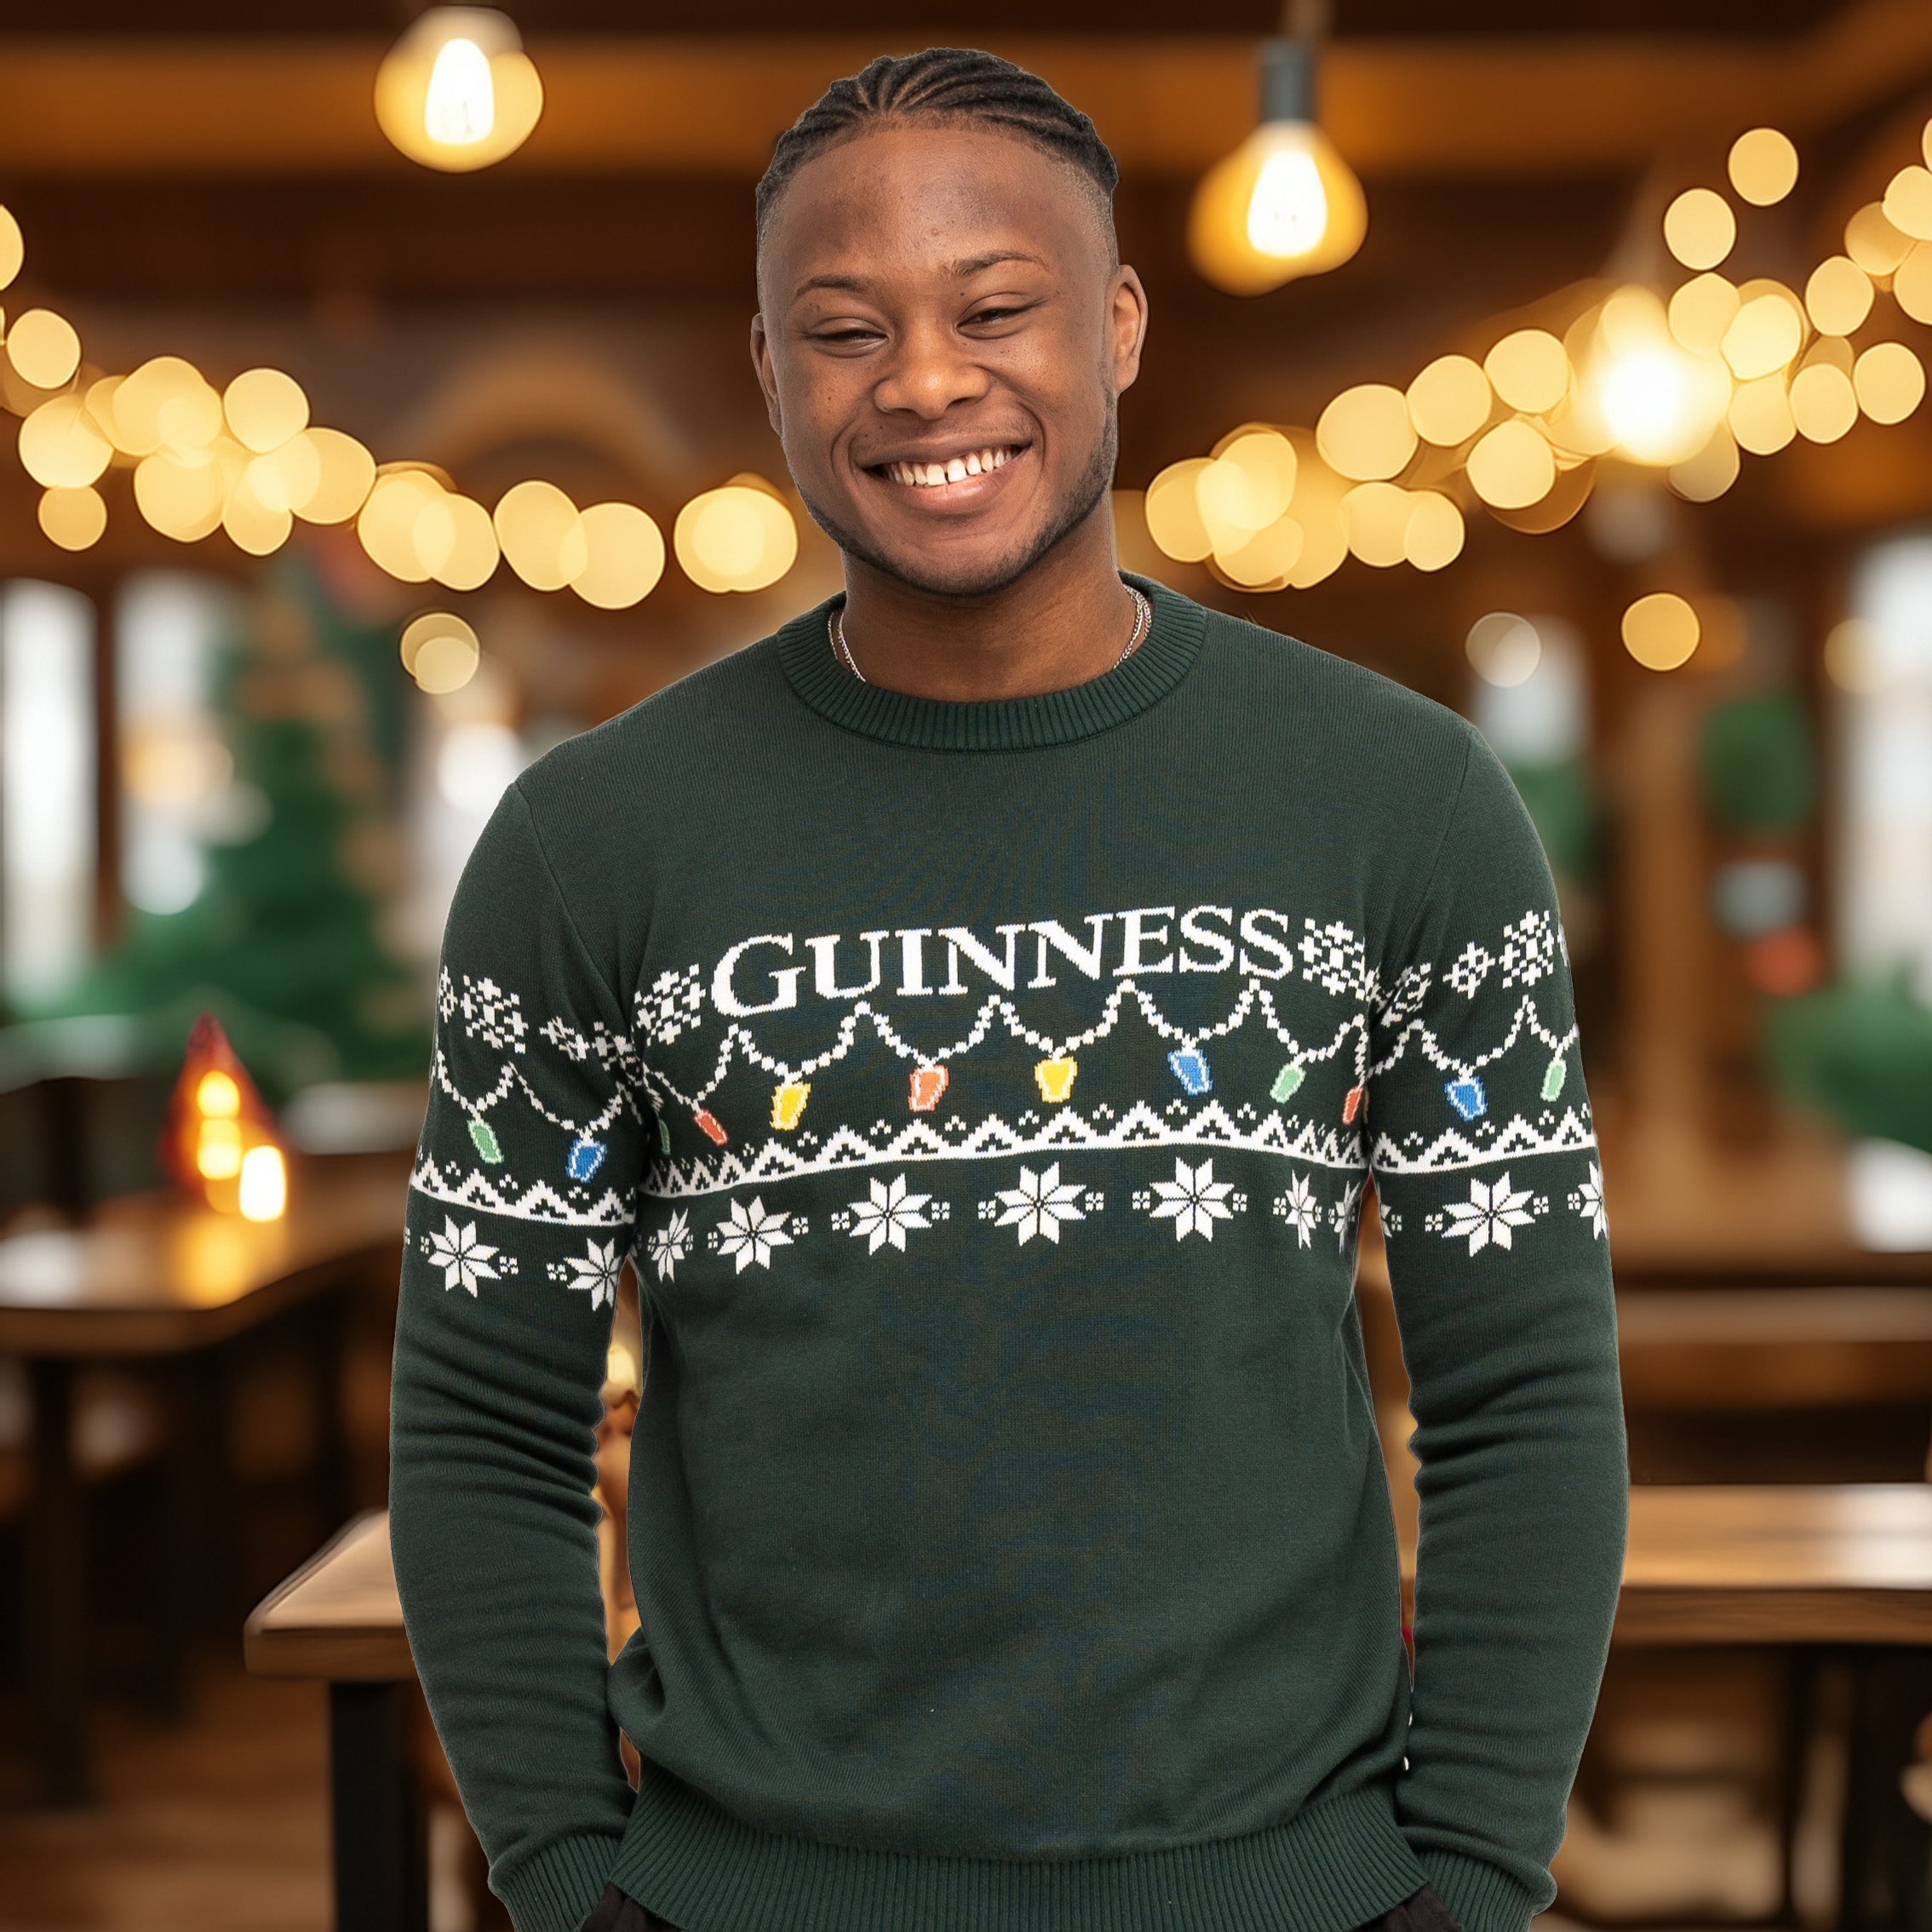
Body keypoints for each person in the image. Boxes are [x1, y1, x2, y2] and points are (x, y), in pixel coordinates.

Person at [389, 47, 1627, 1932]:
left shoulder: (1404, 804)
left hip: (1289, 1897)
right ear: (770, 372)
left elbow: (1523, 1393)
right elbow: (485, 1422)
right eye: (844, 329)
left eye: (993, 308)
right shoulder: (588, 846)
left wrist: (1463, 1878)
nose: (923, 381)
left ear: (1116, 327)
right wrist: (568, 1876)